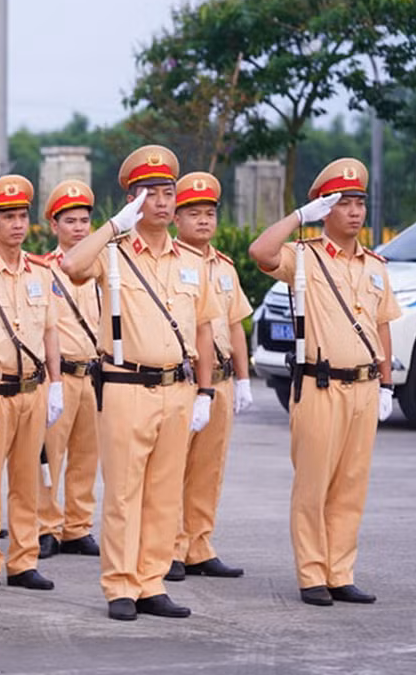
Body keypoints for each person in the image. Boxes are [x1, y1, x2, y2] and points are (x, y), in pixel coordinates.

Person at [60, 145, 218, 622]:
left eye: (168, 192)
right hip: (126, 384)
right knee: (125, 492)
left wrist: (206, 391)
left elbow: (205, 328)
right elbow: (72, 266)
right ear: (133, 200)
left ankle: (151, 582)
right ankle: (121, 584)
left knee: (164, 493)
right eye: (151, 193)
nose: (163, 202)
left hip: (177, 387)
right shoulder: (112, 254)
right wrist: (113, 225)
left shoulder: (189, 260)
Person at [248, 157, 398, 607]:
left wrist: (386, 384)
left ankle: (340, 572)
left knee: (351, 485)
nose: (354, 212)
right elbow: (260, 252)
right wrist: (299, 217)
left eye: (359, 203)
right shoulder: (304, 258)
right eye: (343, 203)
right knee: (313, 485)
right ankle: (313, 574)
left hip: (365, 388)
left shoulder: (375, 265)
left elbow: (382, 326)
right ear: (325, 209)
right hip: (319, 385)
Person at [0, 175, 63, 593]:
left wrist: (56, 383)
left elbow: (50, 332)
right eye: (8, 217)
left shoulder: (40, 271)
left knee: (28, 481)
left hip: (32, 389)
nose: (18, 225)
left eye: (22, 216)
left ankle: (24, 560)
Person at [167, 173, 253, 581]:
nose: (203, 221)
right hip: (184, 380)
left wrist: (244, 378)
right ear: (176, 218)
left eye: (209, 213)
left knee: (208, 468)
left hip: (220, 380)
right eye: (194, 213)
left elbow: (235, 326)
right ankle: (169, 548)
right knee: (172, 468)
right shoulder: (169, 263)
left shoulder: (224, 267)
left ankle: (199, 545)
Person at [38, 180, 102, 558]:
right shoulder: (44, 271)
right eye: (70, 221)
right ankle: (46, 526)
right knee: (50, 455)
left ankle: (78, 526)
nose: (78, 228)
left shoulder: (100, 269)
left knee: (86, 456)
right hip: (58, 375)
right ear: (54, 225)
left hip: (93, 374)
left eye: (84, 221)